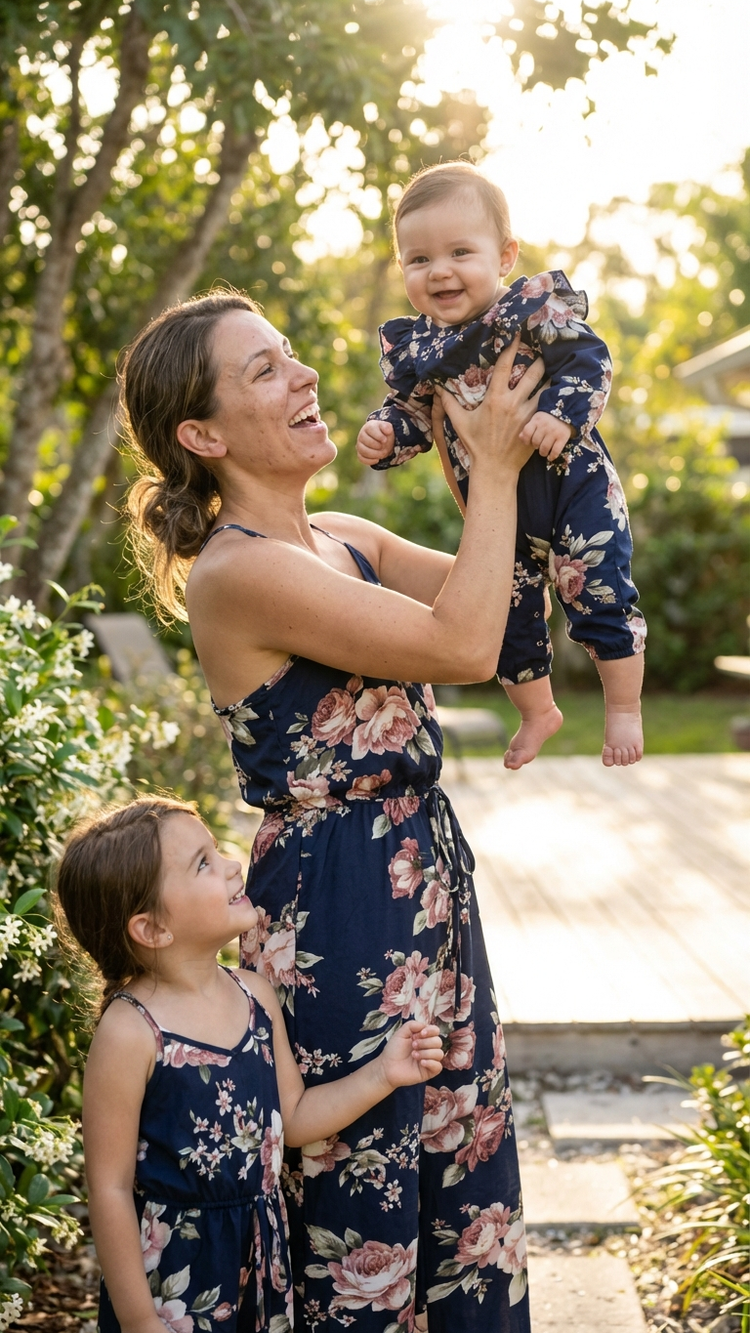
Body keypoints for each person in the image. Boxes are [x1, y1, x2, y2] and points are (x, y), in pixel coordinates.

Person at [120, 289, 545, 1333]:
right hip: (338, 908)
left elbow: (514, 599)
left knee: (454, 1143)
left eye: (292, 355)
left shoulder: (344, 536)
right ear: (203, 434)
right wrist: (489, 469)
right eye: (264, 369)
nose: (304, 375)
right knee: (364, 1175)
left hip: (424, 879)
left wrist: (483, 429)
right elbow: (463, 647)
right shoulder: (238, 572)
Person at [56, 796, 444, 1333]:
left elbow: (296, 1117)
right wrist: (140, 1318)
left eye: (215, 852)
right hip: (176, 1277)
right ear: (152, 929)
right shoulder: (130, 1032)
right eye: (203, 864)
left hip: (262, 1262)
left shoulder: (255, 995)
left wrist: (384, 1073)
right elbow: (110, 1188)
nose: (232, 864)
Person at [356, 161, 646, 770]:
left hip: (574, 486)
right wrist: (388, 436)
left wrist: (564, 416)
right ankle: (538, 710)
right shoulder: (421, 352)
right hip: (498, 512)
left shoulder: (531, 315)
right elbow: (413, 413)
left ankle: (624, 708)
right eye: (418, 259)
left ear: (505, 255)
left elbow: (590, 359)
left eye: (460, 251)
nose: (440, 270)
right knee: (508, 616)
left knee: (599, 590)